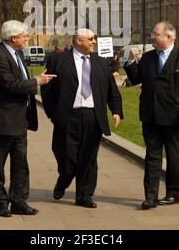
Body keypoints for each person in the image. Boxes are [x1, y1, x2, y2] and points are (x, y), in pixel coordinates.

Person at [0, 20, 56, 217]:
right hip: (0, 121)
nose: (27, 38)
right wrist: (37, 81)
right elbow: (11, 85)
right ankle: (0, 203)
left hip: (19, 120)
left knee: (20, 164)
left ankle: (19, 201)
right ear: (13, 38)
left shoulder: (17, 53)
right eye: (24, 35)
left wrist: (33, 82)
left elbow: (20, 81)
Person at [41, 28, 123, 208]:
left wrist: (116, 110)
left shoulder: (101, 63)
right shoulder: (58, 60)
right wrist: (53, 114)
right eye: (91, 39)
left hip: (93, 117)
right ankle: (64, 179)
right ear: (78, 41)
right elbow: (47, 90)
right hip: (67, 117)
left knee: (89, 158)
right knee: (66, 157)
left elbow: (112, 91)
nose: (94, 42)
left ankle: (84, 195)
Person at [124, 21, 179, 210]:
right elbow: (134, 79)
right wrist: (132, 61)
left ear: (168, 37)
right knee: (152, 156)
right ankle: (150, 197)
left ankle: (173, 194)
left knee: (173, 156)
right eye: (152, 34)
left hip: (174, 116)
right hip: (150, 115)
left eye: (155, 34)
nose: (152, 37)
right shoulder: (148, 57)